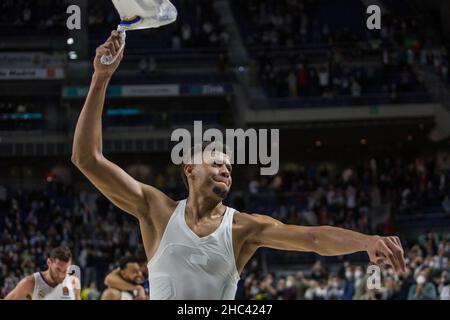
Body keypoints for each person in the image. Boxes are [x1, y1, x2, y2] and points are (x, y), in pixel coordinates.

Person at [71, 31, 406, 300]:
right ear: (189, 168)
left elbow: (314, 238)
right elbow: (87, 158)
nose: (226, 170)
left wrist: (366, 241)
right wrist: (101, 78)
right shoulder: (156, 211)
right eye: (216, 162)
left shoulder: (244, 227)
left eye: (229, 167)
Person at [5, 246, 80, 300]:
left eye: (65, 271)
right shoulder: (30, 283)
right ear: (49, 262)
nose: (61, 275)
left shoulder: (74, 282)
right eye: (58, 270)